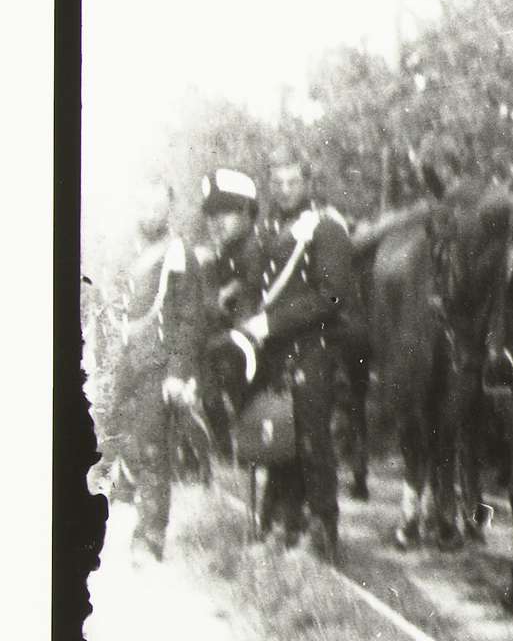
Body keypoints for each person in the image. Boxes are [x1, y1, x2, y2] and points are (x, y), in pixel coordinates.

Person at [220, 148, 362, 559]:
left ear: (308, 183)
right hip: (272, 354)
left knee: (313, 441)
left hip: (312, 350)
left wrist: (271, 323)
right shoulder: (267, 231)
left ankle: (322, 534)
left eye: (293, 182)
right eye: (278, 183)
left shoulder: (326, 229)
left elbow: (331, 296)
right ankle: (283, 525)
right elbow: (254, 287)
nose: (285, 190)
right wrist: (246, 322)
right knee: (279, 441)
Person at [91, 178, 203, 559]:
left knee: (154, 449)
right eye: (144, 205)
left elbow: (190, 319)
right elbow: (107, 307)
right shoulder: (121, 250)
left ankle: (150, 536)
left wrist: (178, 372)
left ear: (168, 209)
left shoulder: (179, 253)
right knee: (114, 440)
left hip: (158, 363)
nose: (151, 214)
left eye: (158, 206)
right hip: (122, 363)